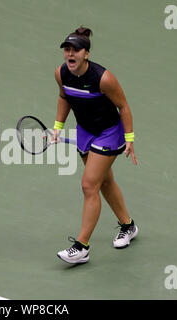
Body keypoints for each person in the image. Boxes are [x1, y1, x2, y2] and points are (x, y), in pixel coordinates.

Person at [54, 27, 139, 264]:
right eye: (67, 50)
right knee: (105, 181)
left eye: (75, 50)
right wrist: (57, 128)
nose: (70, 54)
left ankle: (82, 247)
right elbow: (64, 98)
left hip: (109, 133)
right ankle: (128, 226)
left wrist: (129, 140)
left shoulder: (104, 78)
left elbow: (124, 106)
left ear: (86, 54)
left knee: (89, 185)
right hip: (85, 131)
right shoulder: (61, 74)